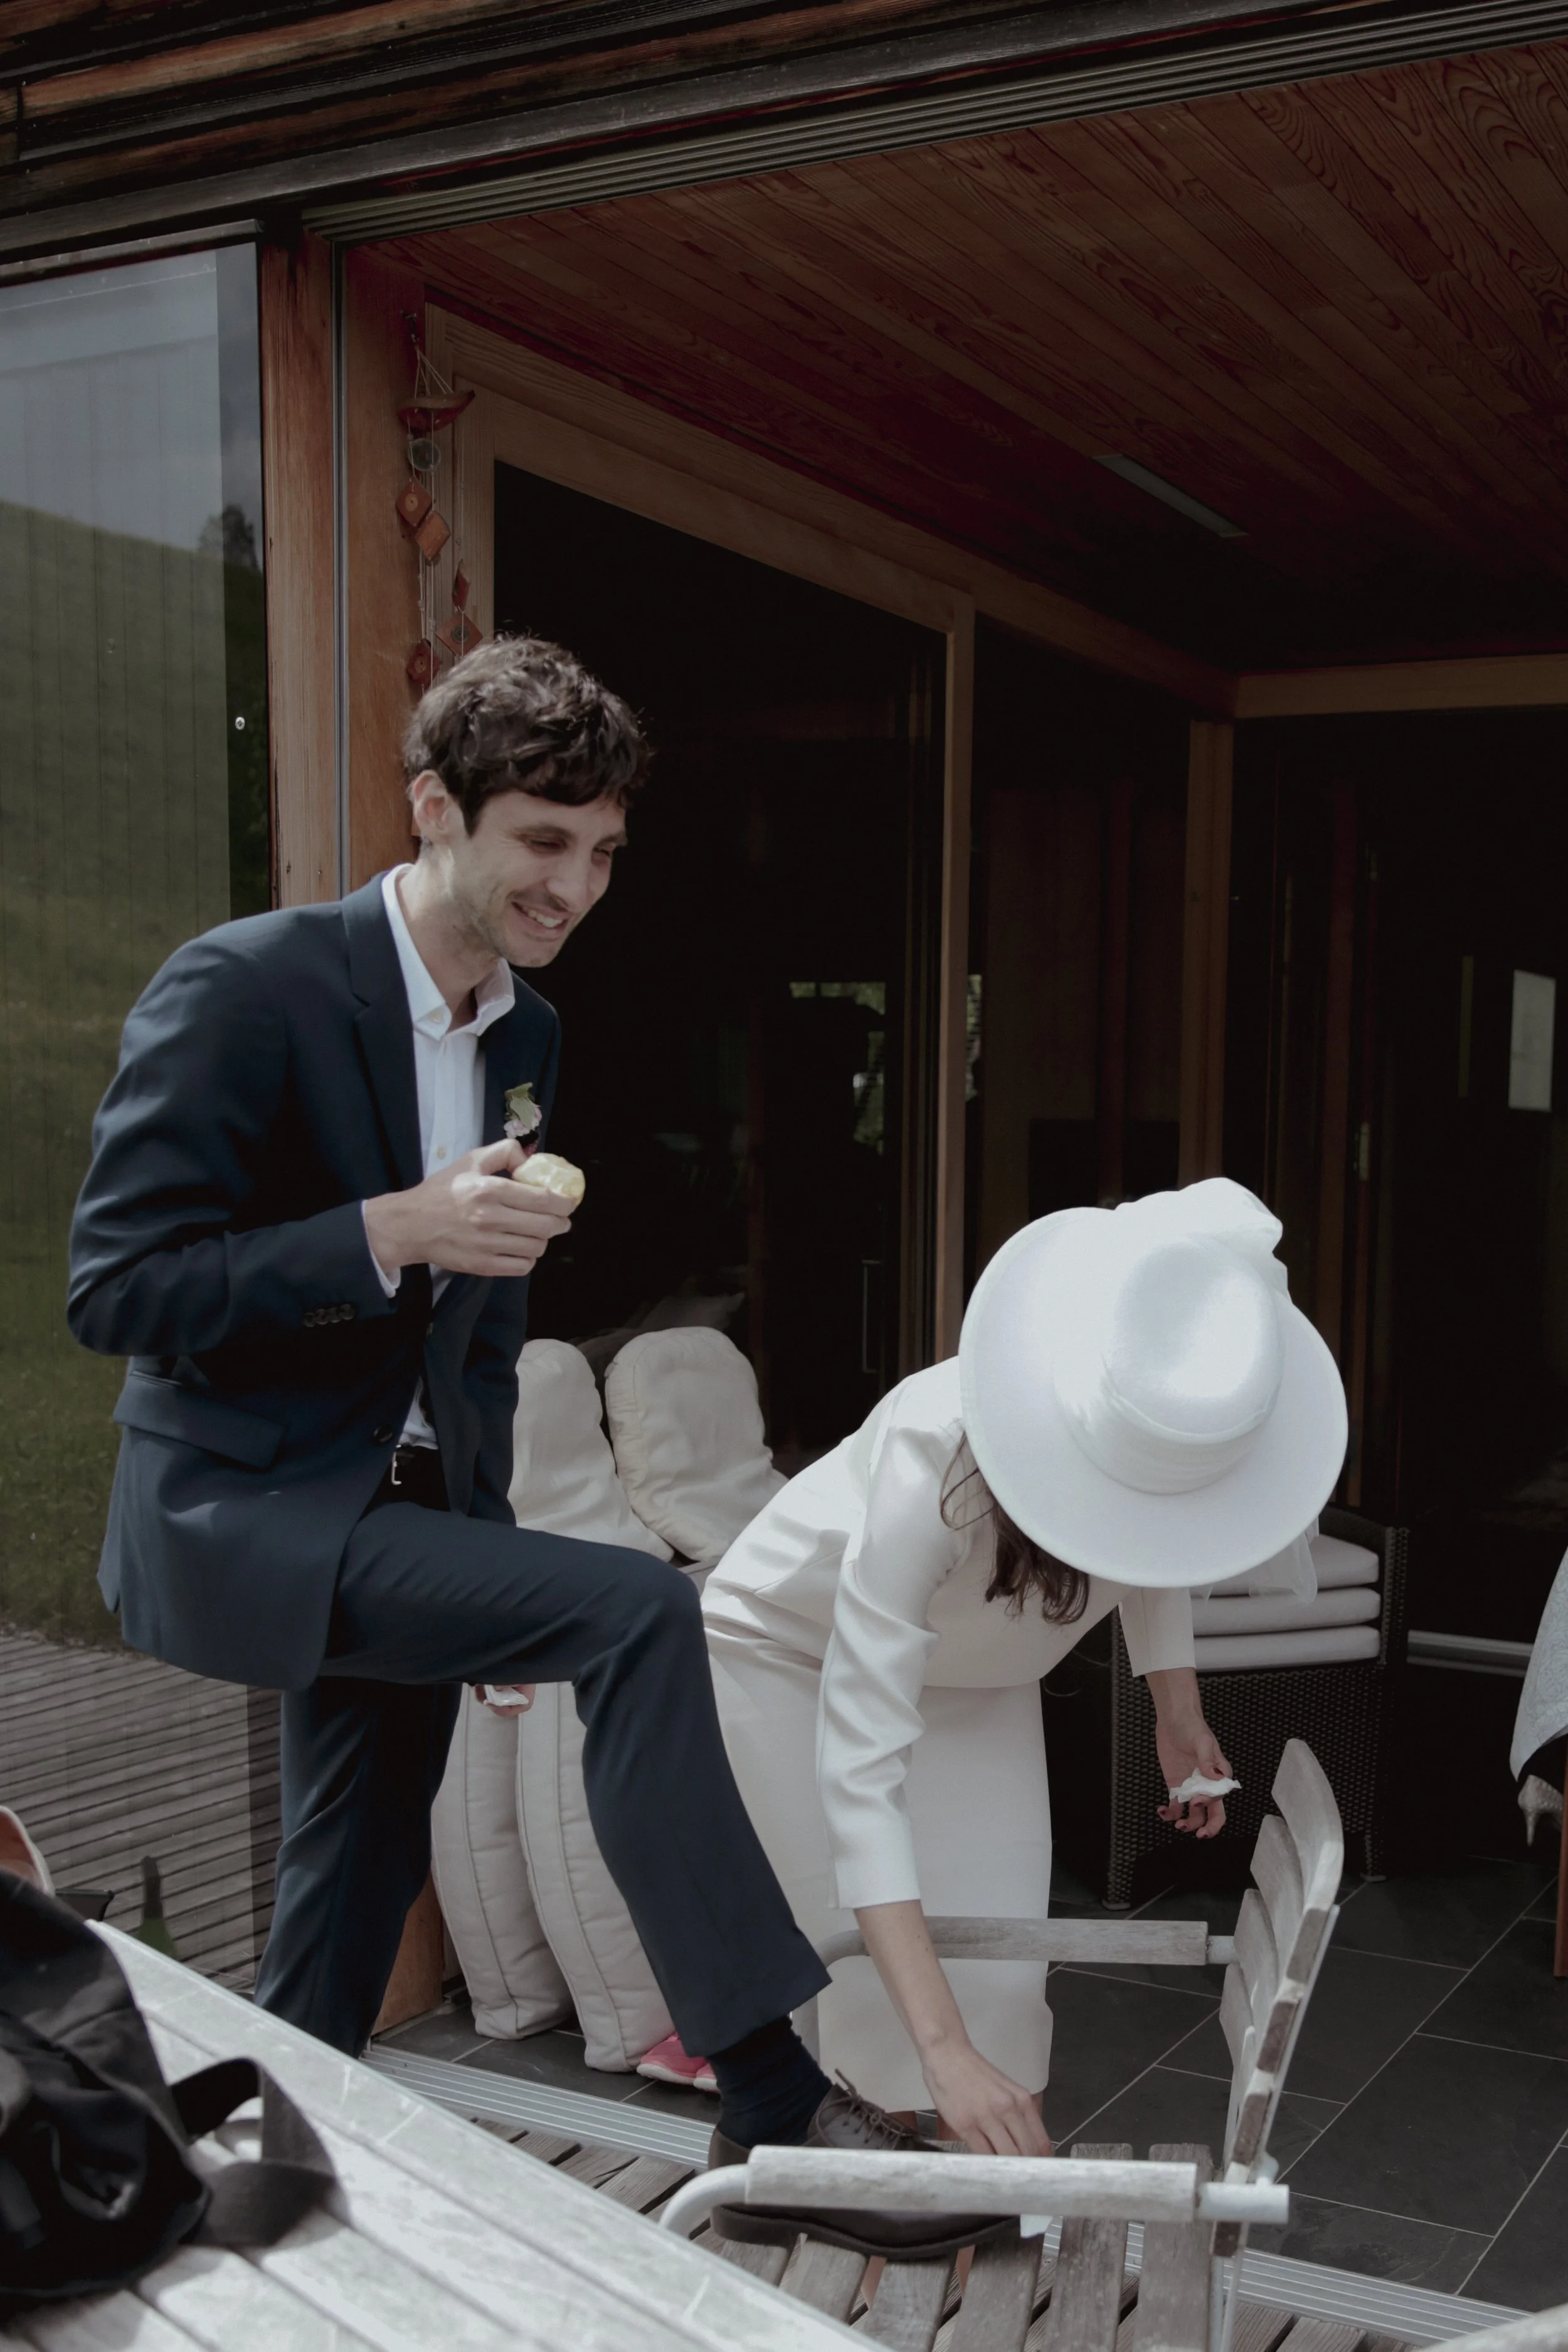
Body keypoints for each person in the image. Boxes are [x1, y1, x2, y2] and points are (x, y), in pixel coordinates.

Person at [66, 635, 1017, 2258]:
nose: (573, 885)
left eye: (601, 851)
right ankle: (776, 2105)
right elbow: (119, 1285)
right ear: (437, 806)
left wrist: (486, 1533)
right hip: (252, 1506)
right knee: (634, 1610)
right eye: (540, 841)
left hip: (405, 1505)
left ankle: (190, 2192)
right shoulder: (249, 986)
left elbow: (482, 1321)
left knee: (350, 1886)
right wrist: (389, 1225)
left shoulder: (527, 1033)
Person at [702, 1178, 1348, 2154]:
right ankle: (851, 2239)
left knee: (1001, 1984)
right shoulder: (939, 1450)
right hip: (793, 1653)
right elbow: (860, 1778)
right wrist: (942, 2049)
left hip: (979, 1676)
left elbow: (1155, 1539)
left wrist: (1177, 1701)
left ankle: (981, 2235)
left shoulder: (1167, 1432)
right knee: (878, 1999)